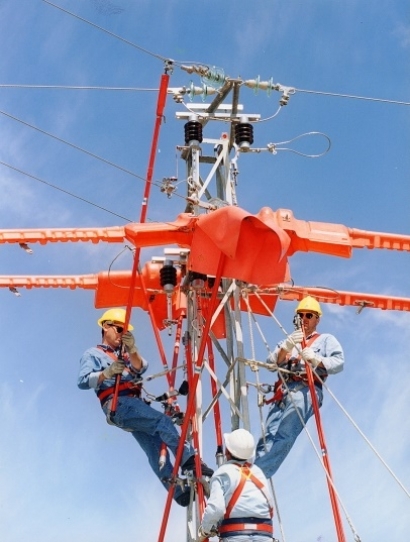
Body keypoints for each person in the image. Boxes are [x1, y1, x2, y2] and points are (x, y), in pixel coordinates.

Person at [77, 308, 213, 507]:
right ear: (106, 327)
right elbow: (82, 380)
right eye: (119, 329)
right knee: (162, 421)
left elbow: (140, 368)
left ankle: (179, 492)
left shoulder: (121, 356)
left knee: (155, 449)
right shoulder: (93, 354)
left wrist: (132, 350)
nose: (122, 335)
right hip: (119, 404)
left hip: (131, 406)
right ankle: (189, 461)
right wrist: (106, 373)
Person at [254, 296, 344, 479]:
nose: (304, 318)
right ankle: (255, 478)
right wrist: (286, 347)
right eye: (301, 315)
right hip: (283, 392)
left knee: (285, 432)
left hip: (305, 389)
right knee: (266, 440)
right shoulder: (288, 340)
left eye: (309, 315)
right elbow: (271, 364)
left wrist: (316, 359)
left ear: (317, 319)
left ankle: (257, 476)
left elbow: (338, 363)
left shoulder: (325, 340)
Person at [198, 428, 275, 542]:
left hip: (236, 536)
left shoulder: (222, 473)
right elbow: (270, 507)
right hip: (264, 536)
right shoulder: (258, 473)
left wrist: (204, 531)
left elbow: (216, 509)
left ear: (227, 452)